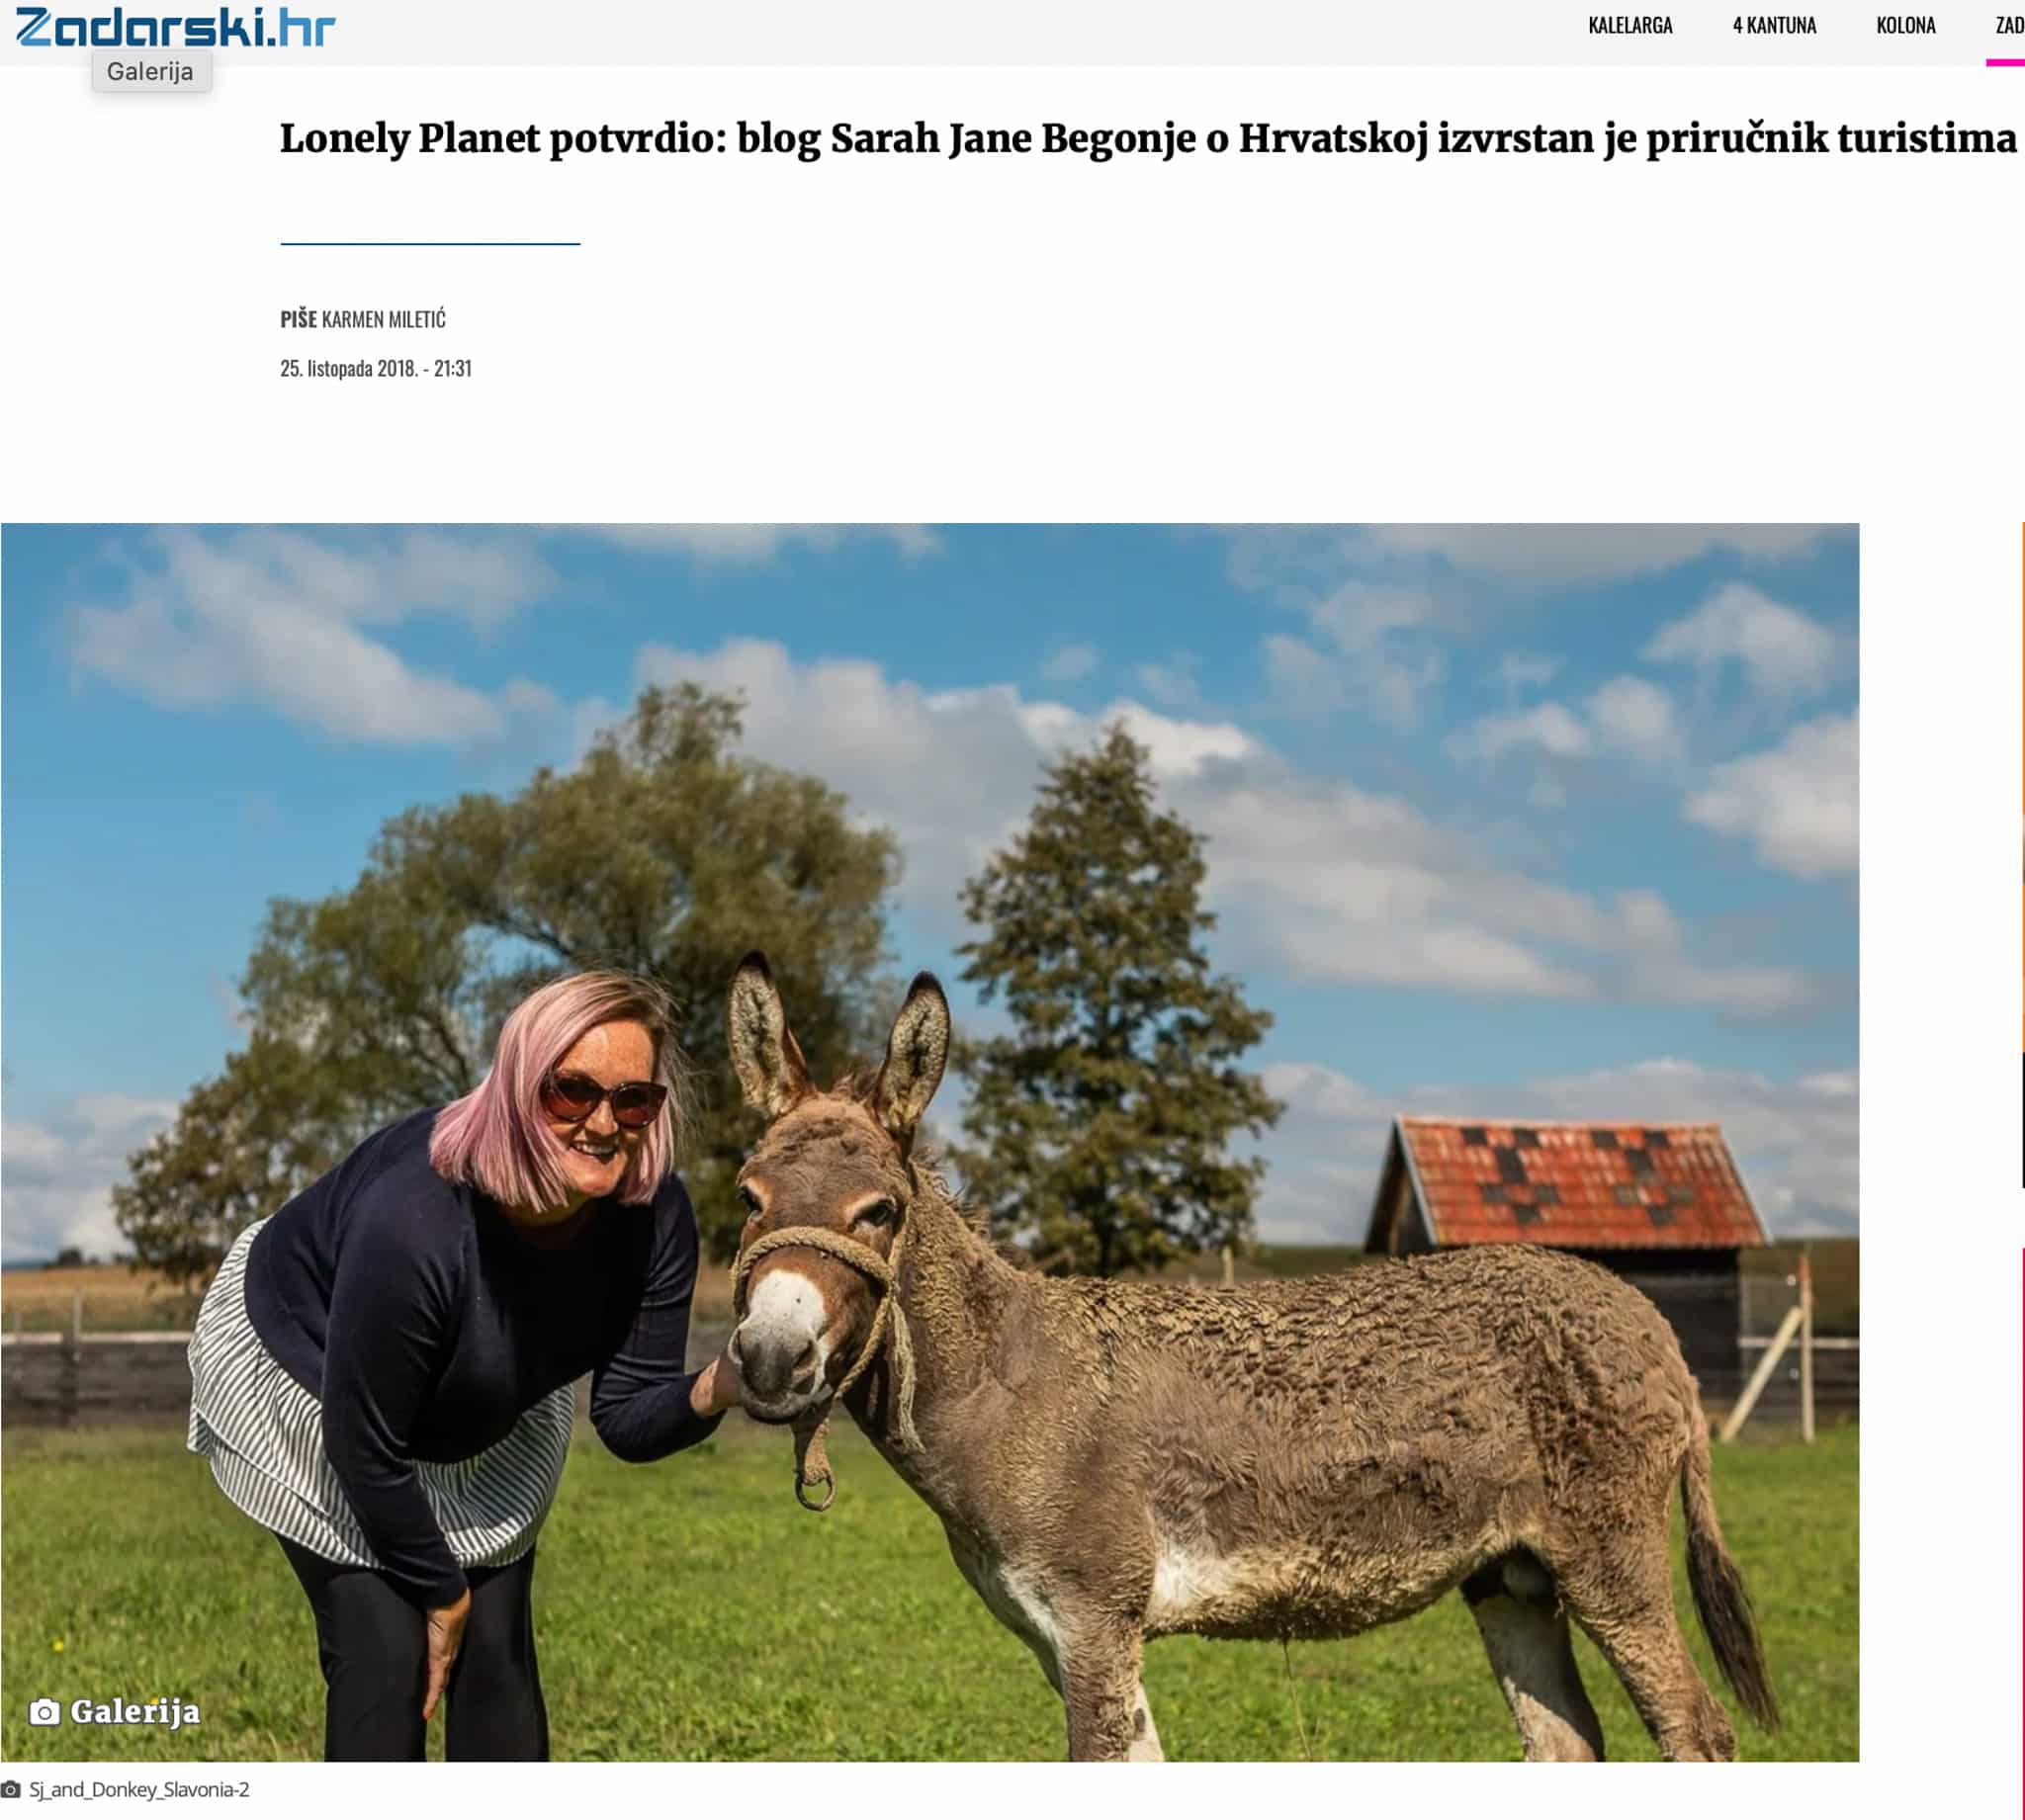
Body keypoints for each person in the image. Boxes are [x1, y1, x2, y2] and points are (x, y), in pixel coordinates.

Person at [186, 970, 741, 1761]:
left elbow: (625, 1415)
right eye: (570, 1091)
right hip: (317, 1387)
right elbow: (363, 1445)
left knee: (500, 1666)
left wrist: (724, 1383)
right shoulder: (416, 1222)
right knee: (388, 1655)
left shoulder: (653, 1221)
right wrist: (441, 1590)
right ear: (519, 1087)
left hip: (484, 1400)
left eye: (633, 1100)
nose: (602, 1122)